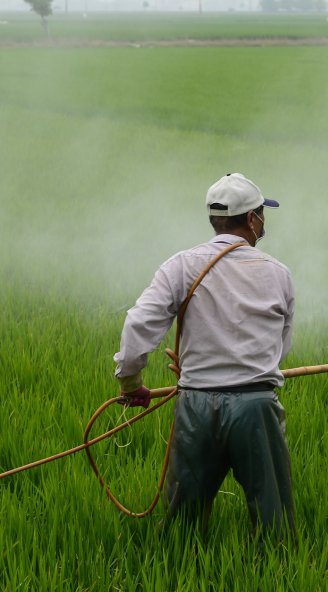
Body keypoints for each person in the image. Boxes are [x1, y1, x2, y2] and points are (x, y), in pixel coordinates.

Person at [113, 173, 296, 545]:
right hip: (257, 407)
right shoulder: (278, 273)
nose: (263, 221)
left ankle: (175, 577)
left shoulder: (181, 265)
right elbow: (280, 349)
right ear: (251, 219)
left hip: (196, 404)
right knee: (273, 522)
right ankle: (277, 579)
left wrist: (131, 383)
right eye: (261, 214)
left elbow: (138, 323)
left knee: (182, 527)